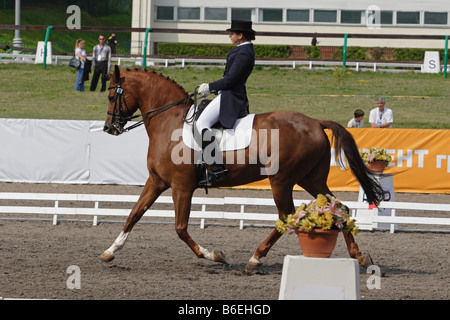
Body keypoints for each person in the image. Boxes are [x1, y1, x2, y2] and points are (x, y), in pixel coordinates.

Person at [196, 20, 256, 187]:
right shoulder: (242, 50)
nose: (229, 36)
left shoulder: (244, 53)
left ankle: (216, 169)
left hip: (232, 95)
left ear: (240, 35)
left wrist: (210, 87)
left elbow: (231, 79)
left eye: (232, 33)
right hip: (226, 92)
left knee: (201, 123)